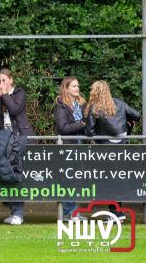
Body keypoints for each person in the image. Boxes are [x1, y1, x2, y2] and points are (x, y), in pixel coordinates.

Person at [85, 80, 141, 222]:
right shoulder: (119, 103)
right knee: (118, 178)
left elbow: (89, 131)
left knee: (109, 180)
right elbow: (137, 115)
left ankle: (116, 213)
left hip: (105, 149)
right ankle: (117, 212)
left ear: (94, 92)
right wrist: (128, 123)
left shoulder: (94, 108)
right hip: (121, 147)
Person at [0, 69, 36, 225]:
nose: (1, 84)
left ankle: (18, 213)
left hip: (19, 138)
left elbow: (15, 110)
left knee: (16, 174)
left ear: (11, 80)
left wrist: (4, 95)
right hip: (4, 140)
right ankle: (13, 211)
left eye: (4, 80)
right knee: (6, 174)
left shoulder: (19, 93)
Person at [53, 76, 87, 222]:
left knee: (76, 179)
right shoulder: (61, 105)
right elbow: (63, 128)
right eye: (74, 86)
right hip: (68, 146)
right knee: (69, 180)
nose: (77, 88)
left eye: (78, 86)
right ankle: (69, 213)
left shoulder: (82, 104)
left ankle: (73, 212)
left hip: (80, 144)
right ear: (66, 89)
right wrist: (82, 124)